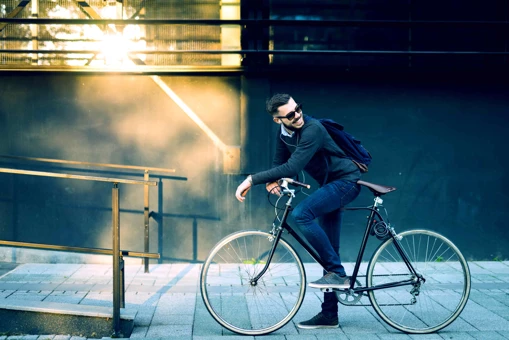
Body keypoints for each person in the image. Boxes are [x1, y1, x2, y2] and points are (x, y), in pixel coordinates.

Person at [234, 93, 362, 329]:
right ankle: (329, 314)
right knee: (329, 250)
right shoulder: (284, 133)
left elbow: (293, 166)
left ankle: (337, 273)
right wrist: (273, 180)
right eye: (290, 115)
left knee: (301, 214)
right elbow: (279, 163)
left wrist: (252, 179)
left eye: (298, 109)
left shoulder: (313, 129)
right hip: (330, 185)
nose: (297, 116)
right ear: (278, 120)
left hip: (346, 182)